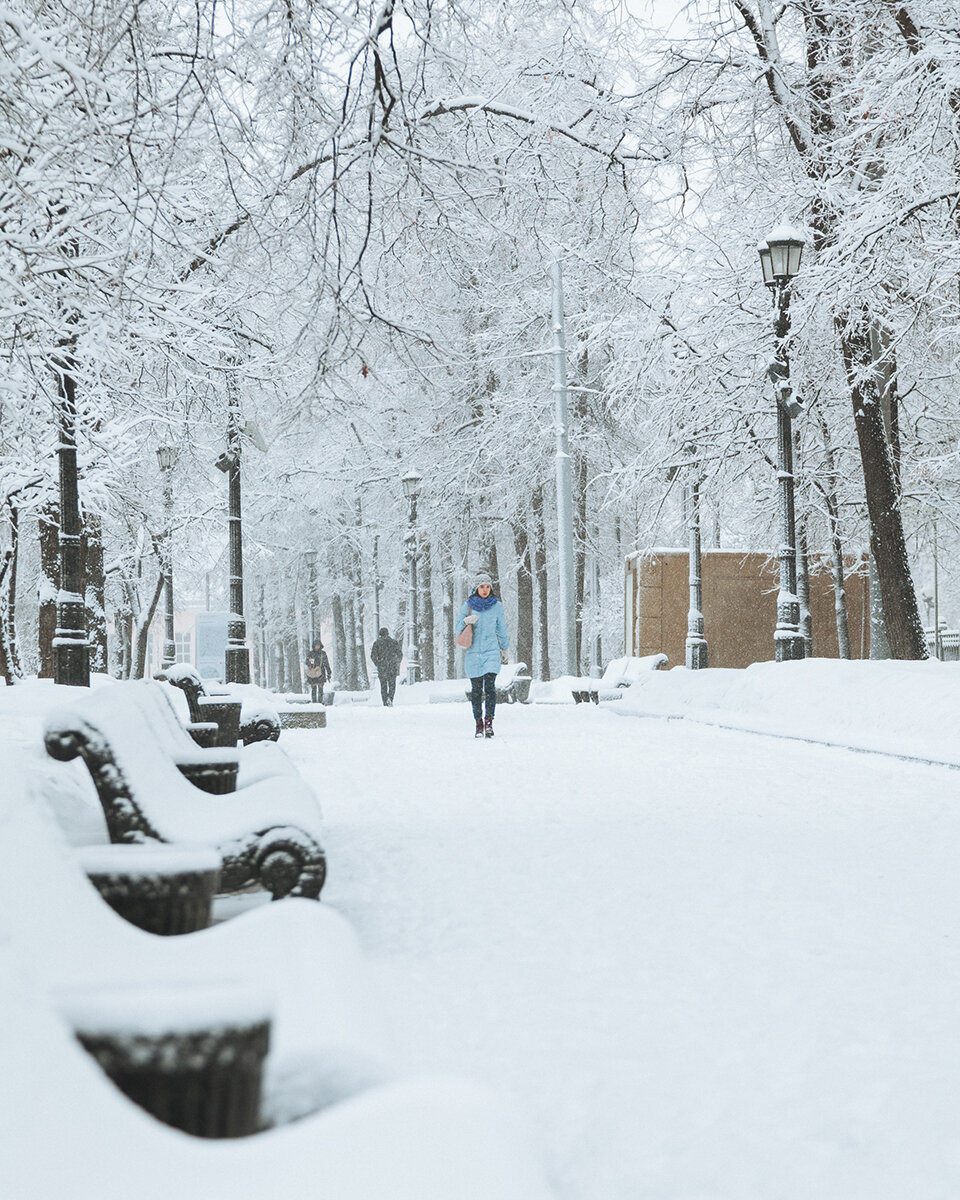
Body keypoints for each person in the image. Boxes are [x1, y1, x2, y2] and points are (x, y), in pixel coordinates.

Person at [456, 571, 509, 738]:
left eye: (487, 587)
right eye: (482, 587)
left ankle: (489, 721)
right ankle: (478, 722)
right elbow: (457, 628)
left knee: (490, 688)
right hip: (473, 654)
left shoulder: (497, 606)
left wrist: (504, 648)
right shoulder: (468, 605)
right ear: (476, 588)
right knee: (477, 690)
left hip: (491, 651)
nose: (485, 590)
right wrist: (466, 621)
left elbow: (501, 628)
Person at [370, 627, 403, 706]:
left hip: (382, 668)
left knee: (383, 686)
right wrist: (396, 662)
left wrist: (378, 663)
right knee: (392, 685)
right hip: (392, 667)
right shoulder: (394, 642)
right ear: (387, 634)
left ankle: (385, 701)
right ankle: (390, 698)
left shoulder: (377, 643)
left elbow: (373, 656)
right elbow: (400, 655)